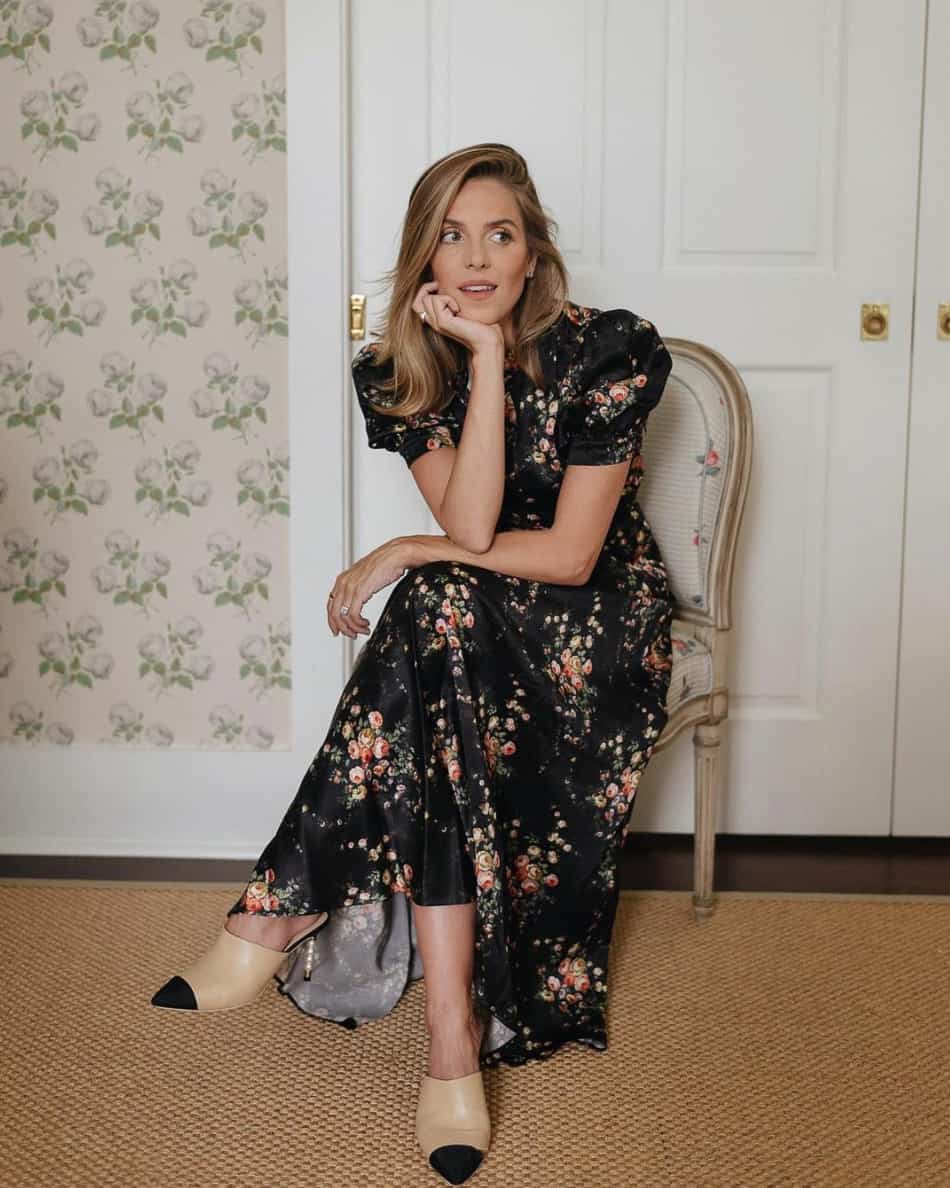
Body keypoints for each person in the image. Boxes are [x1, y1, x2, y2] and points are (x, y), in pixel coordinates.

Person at [150, 142, 674, 1185]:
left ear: (534, 253)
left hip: (597, 628)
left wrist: (402, 547)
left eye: (500, 233)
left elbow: (570, 557)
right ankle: (449, 1043)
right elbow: (475, 524)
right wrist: (479, 361)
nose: (475, 256)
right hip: (470, 631)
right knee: (441, 616)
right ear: (420, 256)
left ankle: (278, 911)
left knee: (431, 593)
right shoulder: (398, 366)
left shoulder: (609, 350)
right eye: (450, 234)